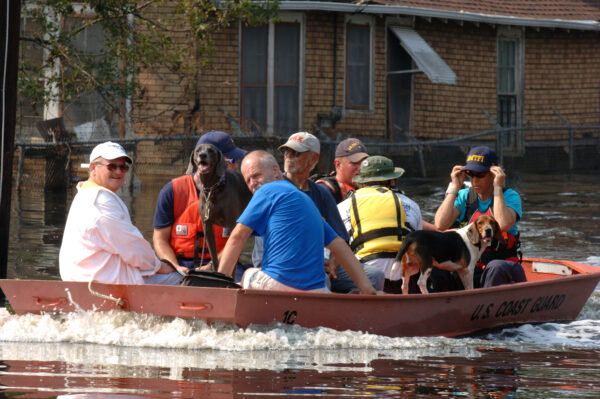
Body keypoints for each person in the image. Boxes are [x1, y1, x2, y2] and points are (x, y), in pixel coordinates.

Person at [217, 150, 377, 295]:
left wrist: (216, 286)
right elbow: (340, 246)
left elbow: (238, 237)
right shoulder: (307, 201)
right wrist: (367, 289)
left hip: (276, 286)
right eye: (248, 180)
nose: (253, 184)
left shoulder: (266, 190)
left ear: (275, 171)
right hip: (317, 292)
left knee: (248, 274)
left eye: (256, 175)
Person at [59, 141, 183, 285]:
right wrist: (161, 266)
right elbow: (133, 247)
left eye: (123, 167)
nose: (118, 172)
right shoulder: (100, 201)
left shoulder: (85, 194)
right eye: (112, 166)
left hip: (90, 280)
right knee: (183, 280)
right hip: (100, 285)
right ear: (93, 167)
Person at [278, 132, 384, 293]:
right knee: (321, 279)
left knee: (375, 275)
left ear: (313, 159)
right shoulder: (274, 190)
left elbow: (340, 237)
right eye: (287, 152)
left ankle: (362, 314)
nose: (289, 157)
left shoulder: (321, 194)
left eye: (296, 153)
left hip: (321, 261)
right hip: (286, 262)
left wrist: (334, 262)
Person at [434, 145, 526, 289]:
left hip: (502, 267)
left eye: (480, 175)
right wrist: (454, 188)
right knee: (436, 266)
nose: (474, 180)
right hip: (471, 267)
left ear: (494, 174)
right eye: (471, 175)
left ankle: (483, 305)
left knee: (495, 267)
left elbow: (502, 225)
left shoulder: (510, 196)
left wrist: (497, 188)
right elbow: (440, 224)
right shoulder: (465, 196)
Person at [153, 131, 247, 271]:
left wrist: (210, 268)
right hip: (180, 265)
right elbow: (160, 239)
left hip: (224, 264)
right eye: (232, 161)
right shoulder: (172, 191)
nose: (236, 166)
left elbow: (239, 240)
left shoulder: (239, 190)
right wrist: (176, 268)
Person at [337, 155, 426, 293]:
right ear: (392, 180)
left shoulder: (343, 207)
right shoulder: (411, 204)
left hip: (366, 281)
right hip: (405, 282)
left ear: (361, 181)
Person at [316, 138, 369, 203]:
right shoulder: (324, 191)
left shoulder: (367, 189)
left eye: (364, 163)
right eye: (355, 163)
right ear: (338, 164)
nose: (360, 168)